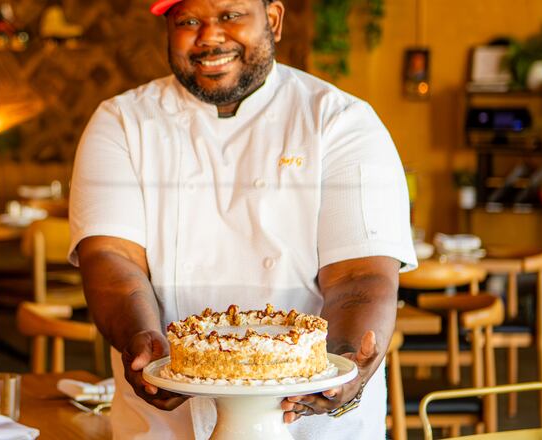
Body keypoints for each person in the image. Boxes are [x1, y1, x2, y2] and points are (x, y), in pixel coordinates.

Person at [68, 0, 417, 438]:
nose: (210, 36)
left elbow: (360, 273)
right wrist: (141, 338)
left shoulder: (340, 121)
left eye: (230, 15)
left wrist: (344, 361)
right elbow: (111, 255)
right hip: (164, 425)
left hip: (308, 428)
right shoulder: (122, 122)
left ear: (272, 20)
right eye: (189, 21)